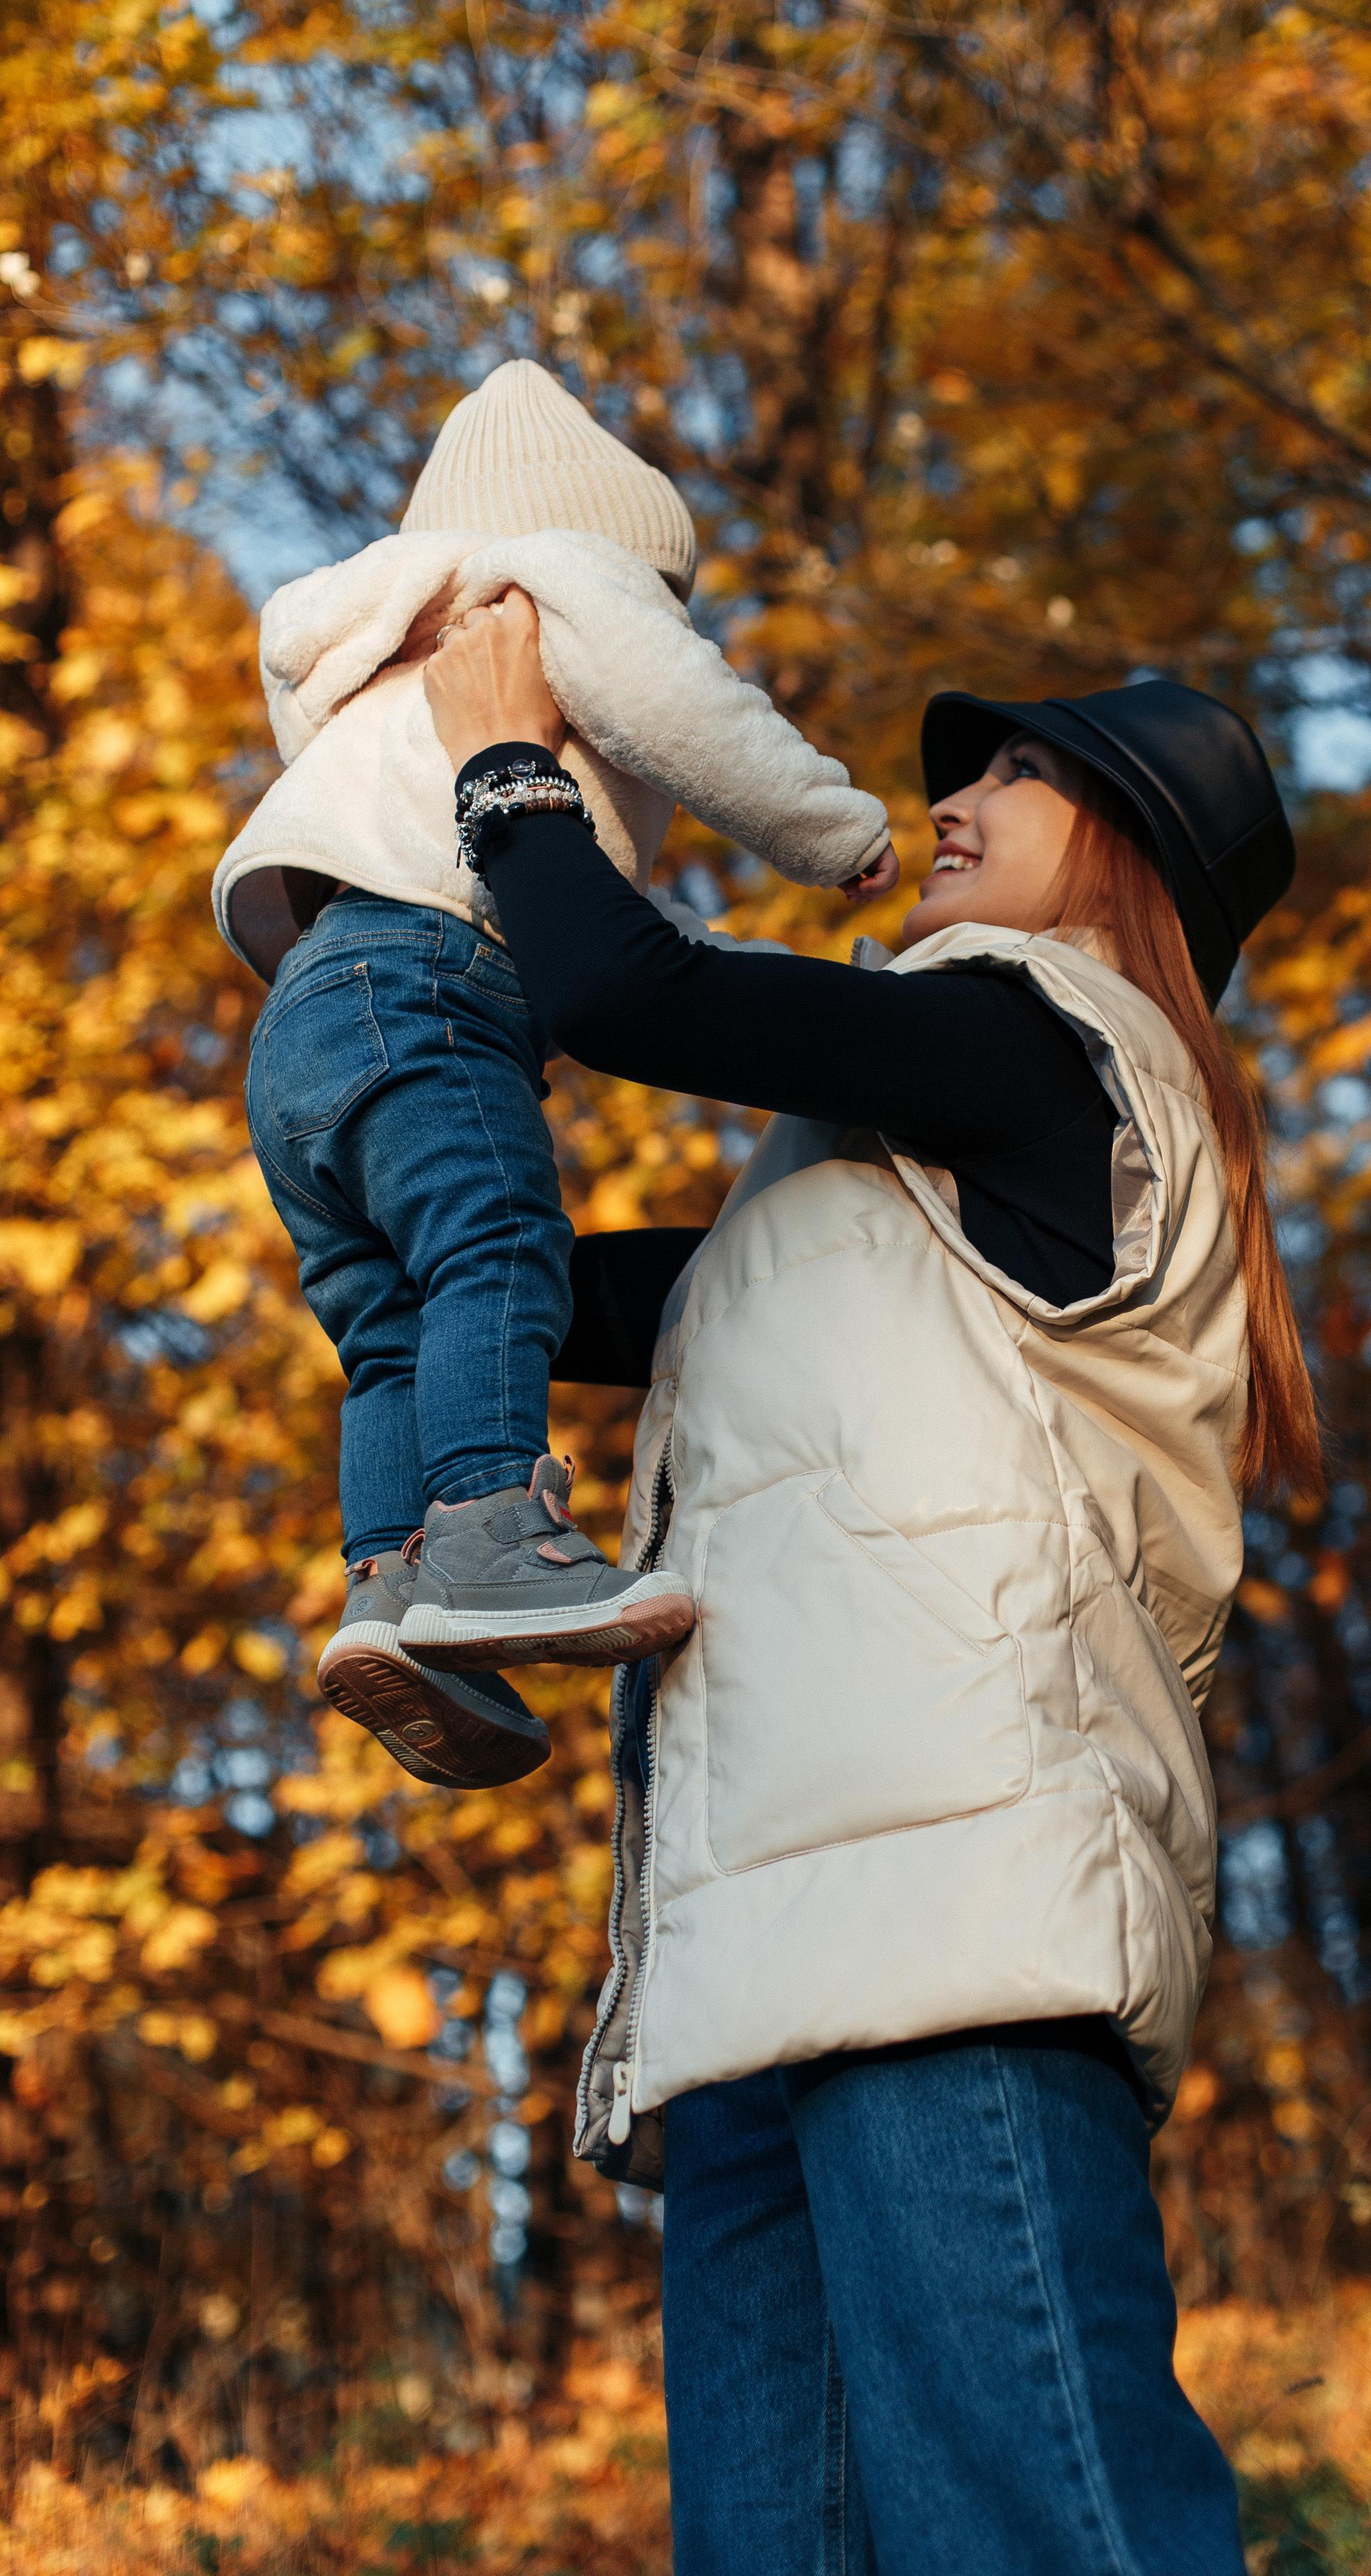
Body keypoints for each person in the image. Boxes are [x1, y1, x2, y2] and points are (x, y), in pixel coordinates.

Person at [422, 597, 1323, 2576]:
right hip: (761, 1954)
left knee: (1041, 2532)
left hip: (954, 1925)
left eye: (1023, 770)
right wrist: (383, 1141)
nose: (958, 800)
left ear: (1130, 861)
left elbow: (632, 989)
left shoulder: (1056, 1042)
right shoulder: (857, 1186)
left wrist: (506, 768)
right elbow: (541, 1294)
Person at [214, 361, 894, 1788]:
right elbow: (695, 717)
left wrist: (772, 977)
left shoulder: (373, 643)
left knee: (389, 1327)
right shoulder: (555, 583)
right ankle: (489, 1528)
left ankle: (390, 1594)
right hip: (427, 984)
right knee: (499, 1246)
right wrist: (838, 833)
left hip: (301, 1015)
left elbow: (621, 930)